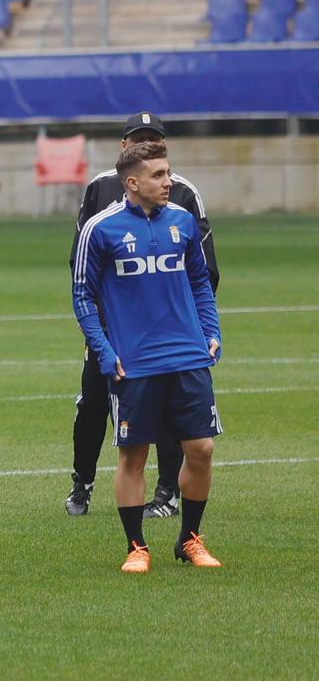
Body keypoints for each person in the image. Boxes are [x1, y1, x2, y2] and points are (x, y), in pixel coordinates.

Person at [72, 141, 223, 574]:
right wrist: (103, 350)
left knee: (202, 448)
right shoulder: (100, 229)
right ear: (133, 182)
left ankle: (189, 539)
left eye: (169, 172)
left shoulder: (183, 221)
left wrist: (210, 331)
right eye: (159, 175)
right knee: (133, 456)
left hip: (188, 356)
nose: (168, 181)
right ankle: (136, 547)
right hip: (133, 362)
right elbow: (82, 296)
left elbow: (199, 281)